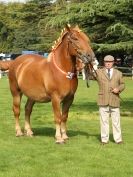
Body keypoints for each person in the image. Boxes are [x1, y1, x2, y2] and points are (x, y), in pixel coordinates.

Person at [93, 55, 125, 145]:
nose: (108, 63)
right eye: (106, 62)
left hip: (115, 99)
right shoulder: (98, 72)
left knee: (116, 121)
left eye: (110, 62)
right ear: (104, 62)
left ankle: (118, 139)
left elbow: (123, 84)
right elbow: (90, 76)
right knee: (104, 121)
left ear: (113, 62)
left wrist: (118, 89)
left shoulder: (119, 73)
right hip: (103, 99)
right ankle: (104, 140)